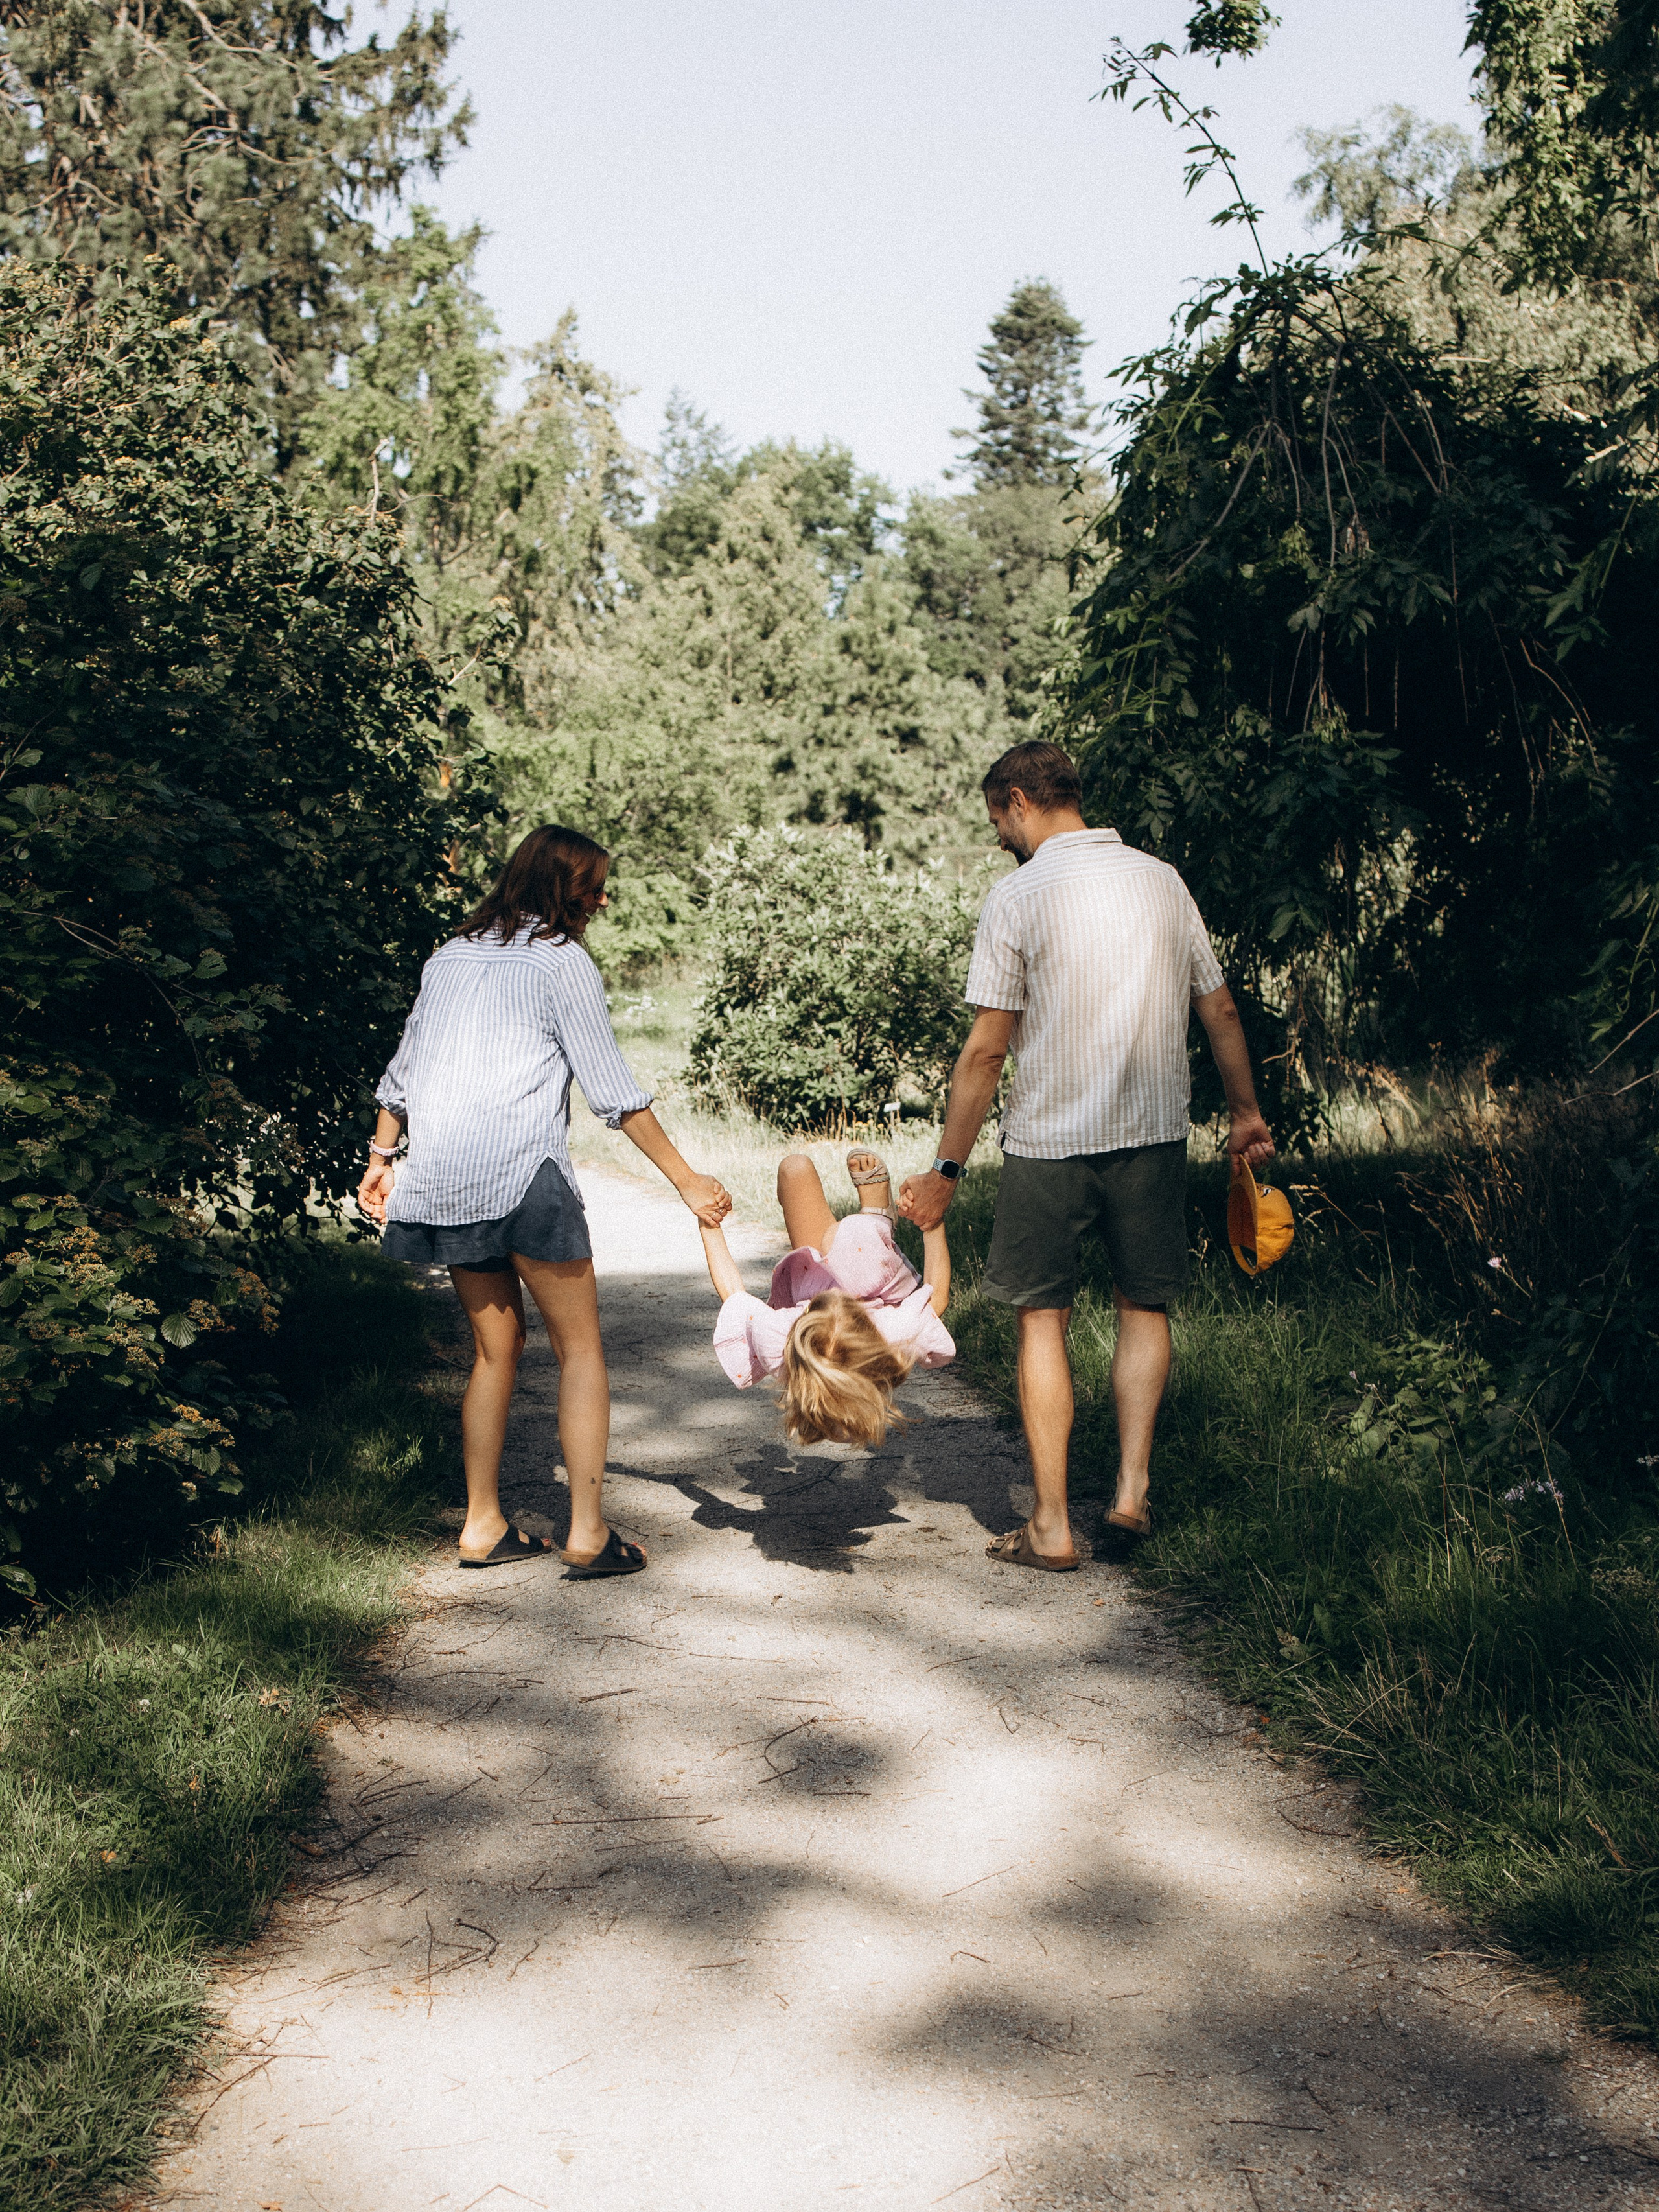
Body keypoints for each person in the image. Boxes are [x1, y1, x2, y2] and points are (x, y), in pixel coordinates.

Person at [898, 741, 1273, 1570]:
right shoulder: (1161, 880)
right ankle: (1132, 1493)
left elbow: (986, 1053)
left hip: (1050, 1142)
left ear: (1020, 801)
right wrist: (1244, 1112)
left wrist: (946, 1170)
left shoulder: (1017, 896)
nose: (999, 834)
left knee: (1044, 1319)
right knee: (1144, 1306)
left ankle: (1052, 1525)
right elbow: (1220, 1008)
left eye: (997, 817)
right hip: (1152, 1133)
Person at [358, 826, 731, 1577]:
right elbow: (613, 1091)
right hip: (524, 1177)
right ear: (554, 887)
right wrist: (686, 1180)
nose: (600, 898)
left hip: (446, 1179)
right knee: (580, 1348)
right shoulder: (561, 961)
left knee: (495, 1351)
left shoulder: (448, 955)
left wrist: (380, 1157)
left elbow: (402, 1070)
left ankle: (481, 1525)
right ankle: (587, 1532)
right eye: (589, 886)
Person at [697, 1148, 954, 1447]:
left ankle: (869, 1225)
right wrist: (932, 1222)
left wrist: (709, 1224)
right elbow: (938, 1296)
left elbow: (734, 1295)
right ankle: (878, 1216)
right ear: (866, 1330)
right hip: (875, 1279)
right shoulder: (893, 1334)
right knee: (845, 1238)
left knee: (794, 1168)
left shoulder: (782, 1345)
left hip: (811, 1277)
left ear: (804, 1323)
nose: (835, 1296)